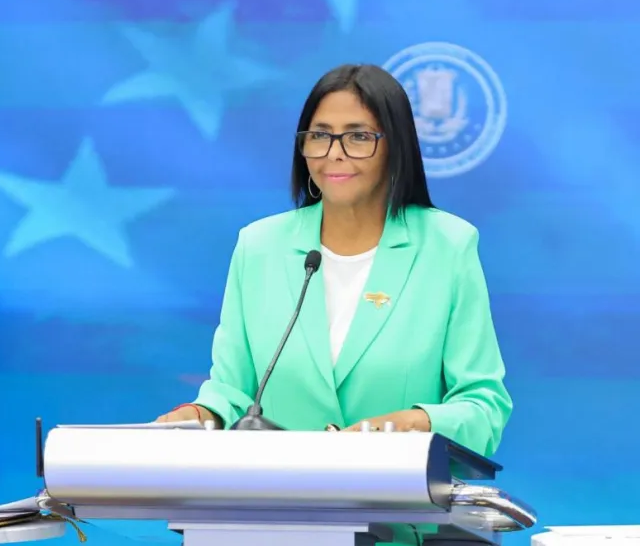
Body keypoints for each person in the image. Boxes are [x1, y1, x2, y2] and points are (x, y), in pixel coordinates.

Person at [155, 64, 511, 458]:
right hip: (277, 504)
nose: (335, 154)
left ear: (396, 146)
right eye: (320, 136)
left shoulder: (448, 246)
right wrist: (198, 413)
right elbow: (233, 392)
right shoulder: (259, 246)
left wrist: (408, 425)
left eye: (358, 137)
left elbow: (483, 409)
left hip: (403, 508)